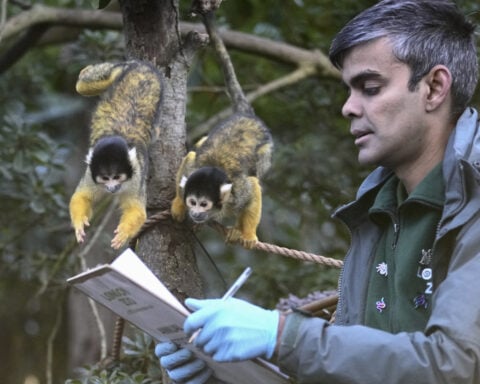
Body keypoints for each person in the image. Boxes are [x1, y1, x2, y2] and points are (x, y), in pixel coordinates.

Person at [155, 0, 480, 382]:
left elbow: (455, 367)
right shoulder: (377, 211)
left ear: (434, 87)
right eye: (349, 90)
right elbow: (366, 366)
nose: (348, 107)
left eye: (370, 88)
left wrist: (281, 336)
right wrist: (227, 369)